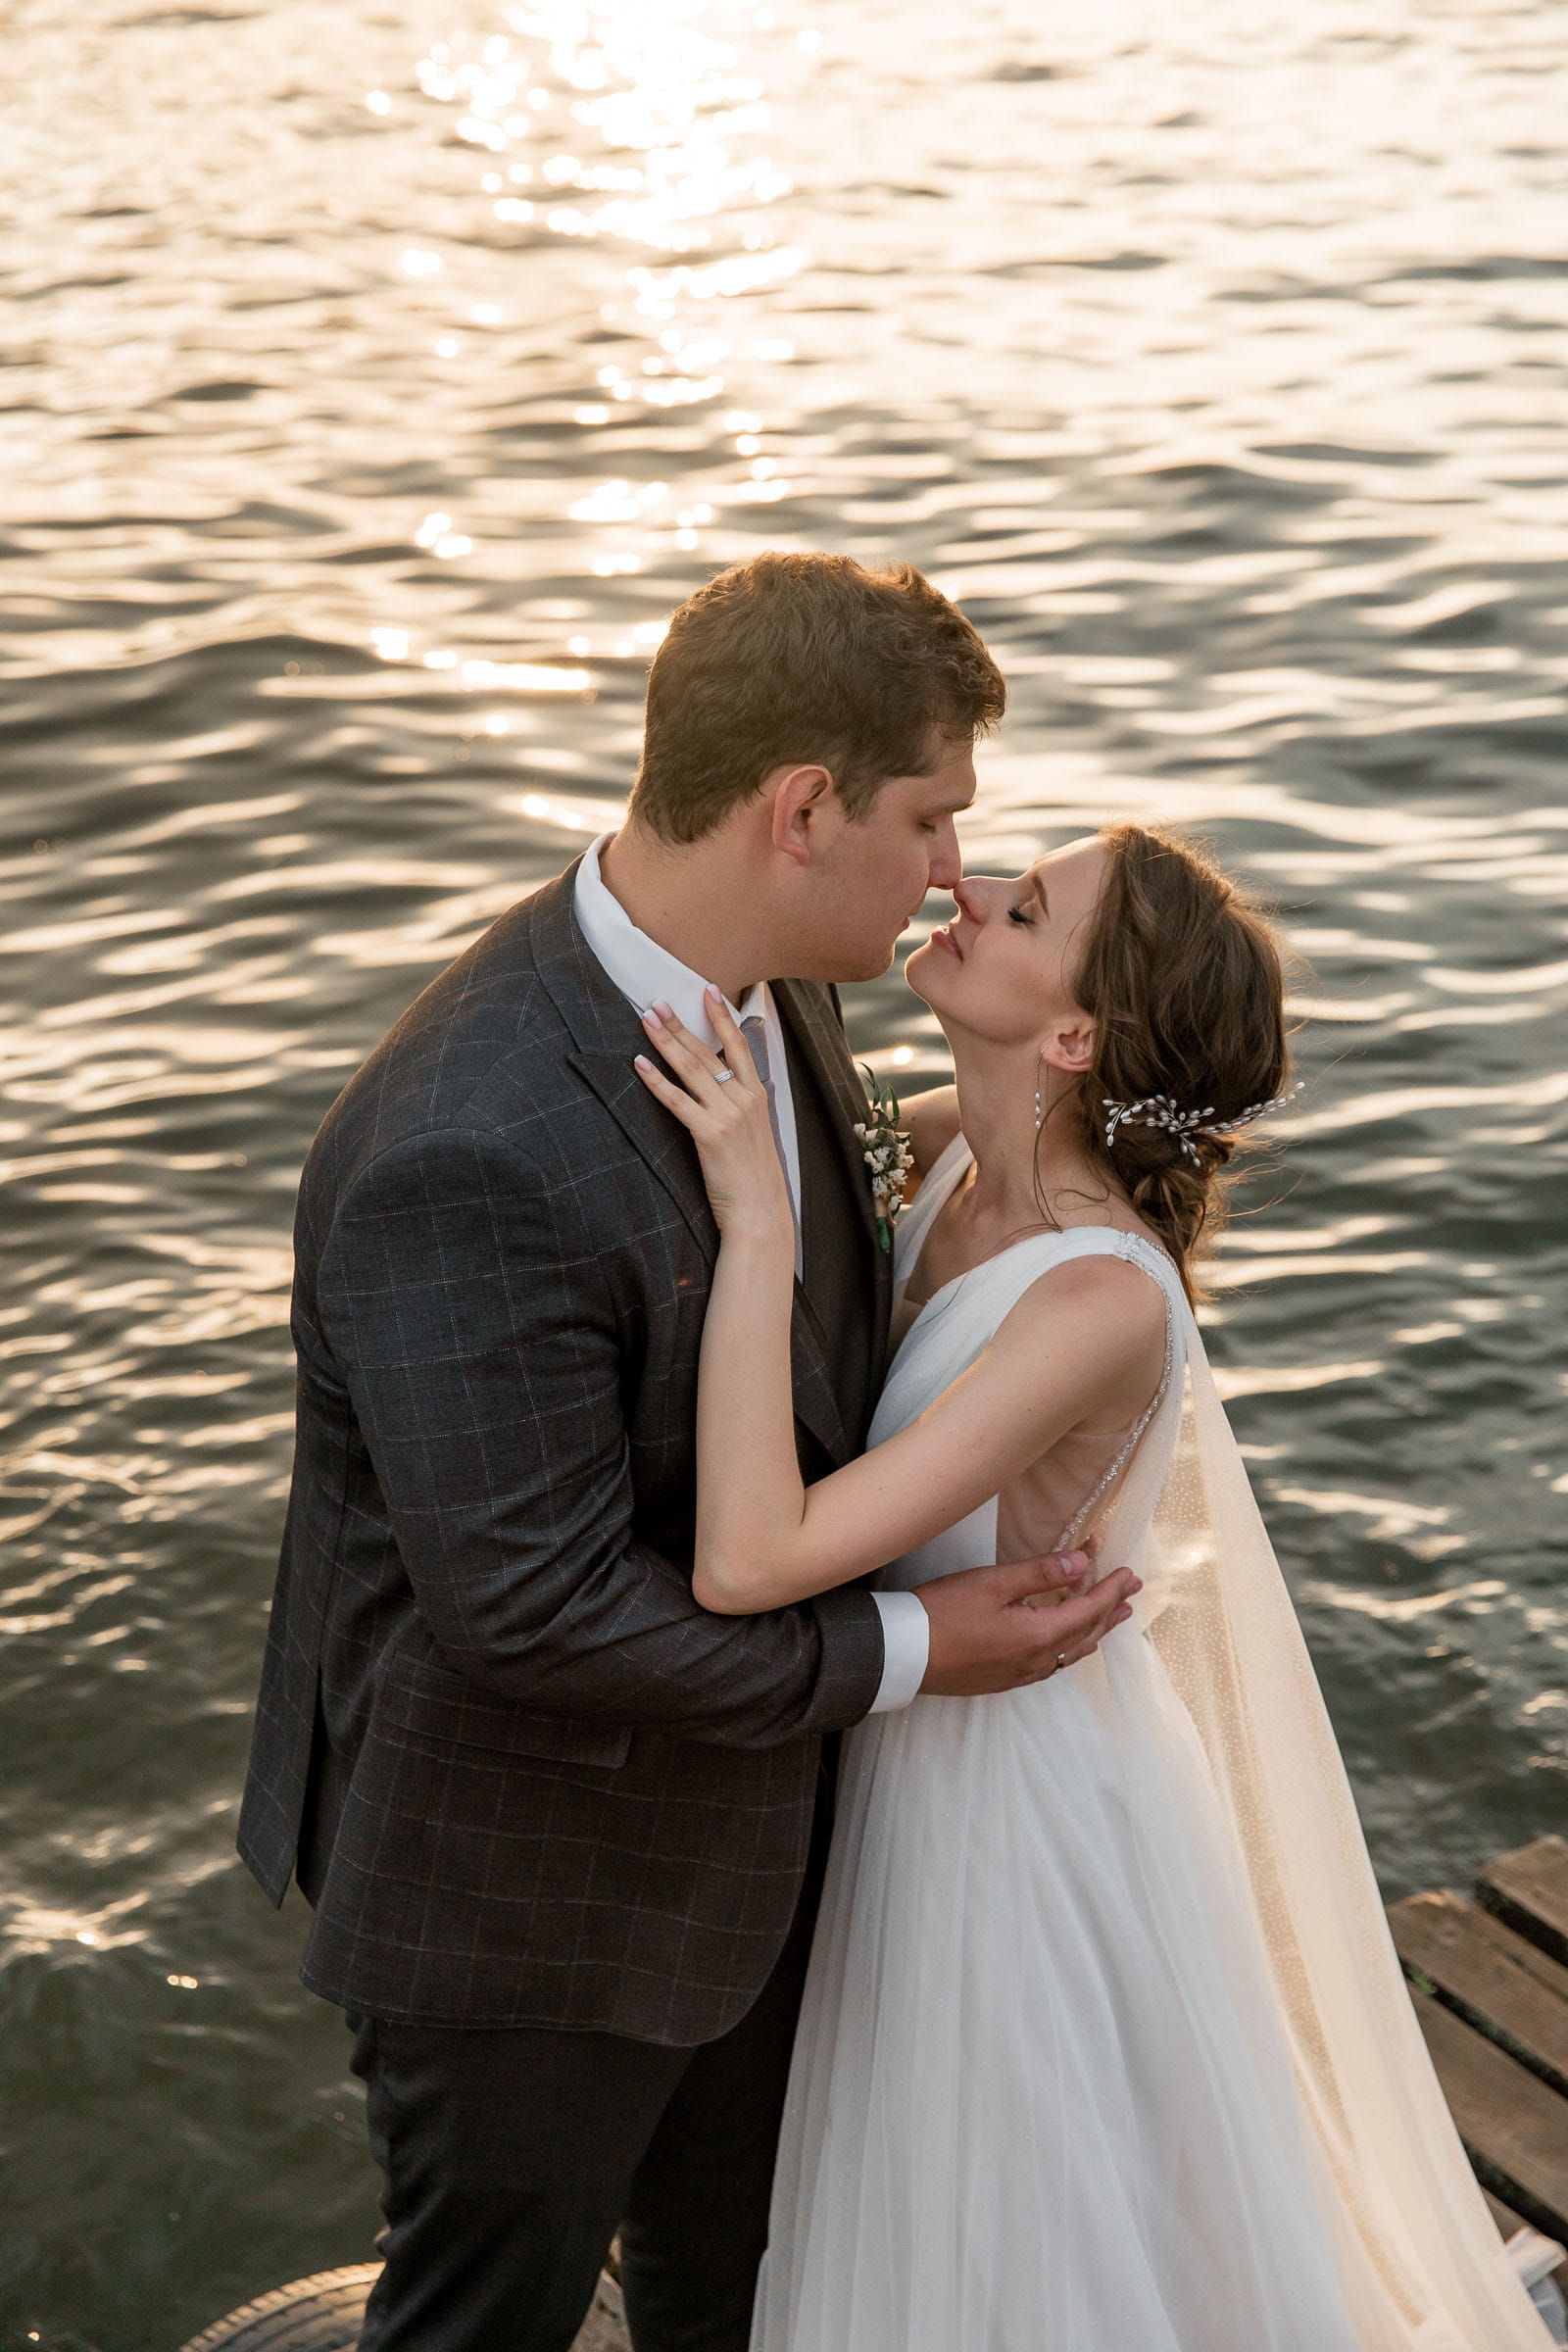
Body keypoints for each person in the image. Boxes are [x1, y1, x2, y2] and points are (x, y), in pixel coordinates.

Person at [235, 552, 1141, 2352]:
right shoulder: (466, 1147)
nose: (956, 870)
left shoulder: (783, 986)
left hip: (759, 1853)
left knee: (740, 2299)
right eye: (935, 820)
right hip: (529, 1910)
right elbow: (532, 1613)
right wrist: (914, 1650)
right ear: (805, 810)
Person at [636, 821, 1556, 2352]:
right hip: (905, 1747)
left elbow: (752, 1558)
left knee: (1024, 2247)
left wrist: (756, 1217)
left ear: (1071, 1032)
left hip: (1004, 1812)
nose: (969, 884)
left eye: (1027, 903)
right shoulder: (941, 1152)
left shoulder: (1092, 1300)